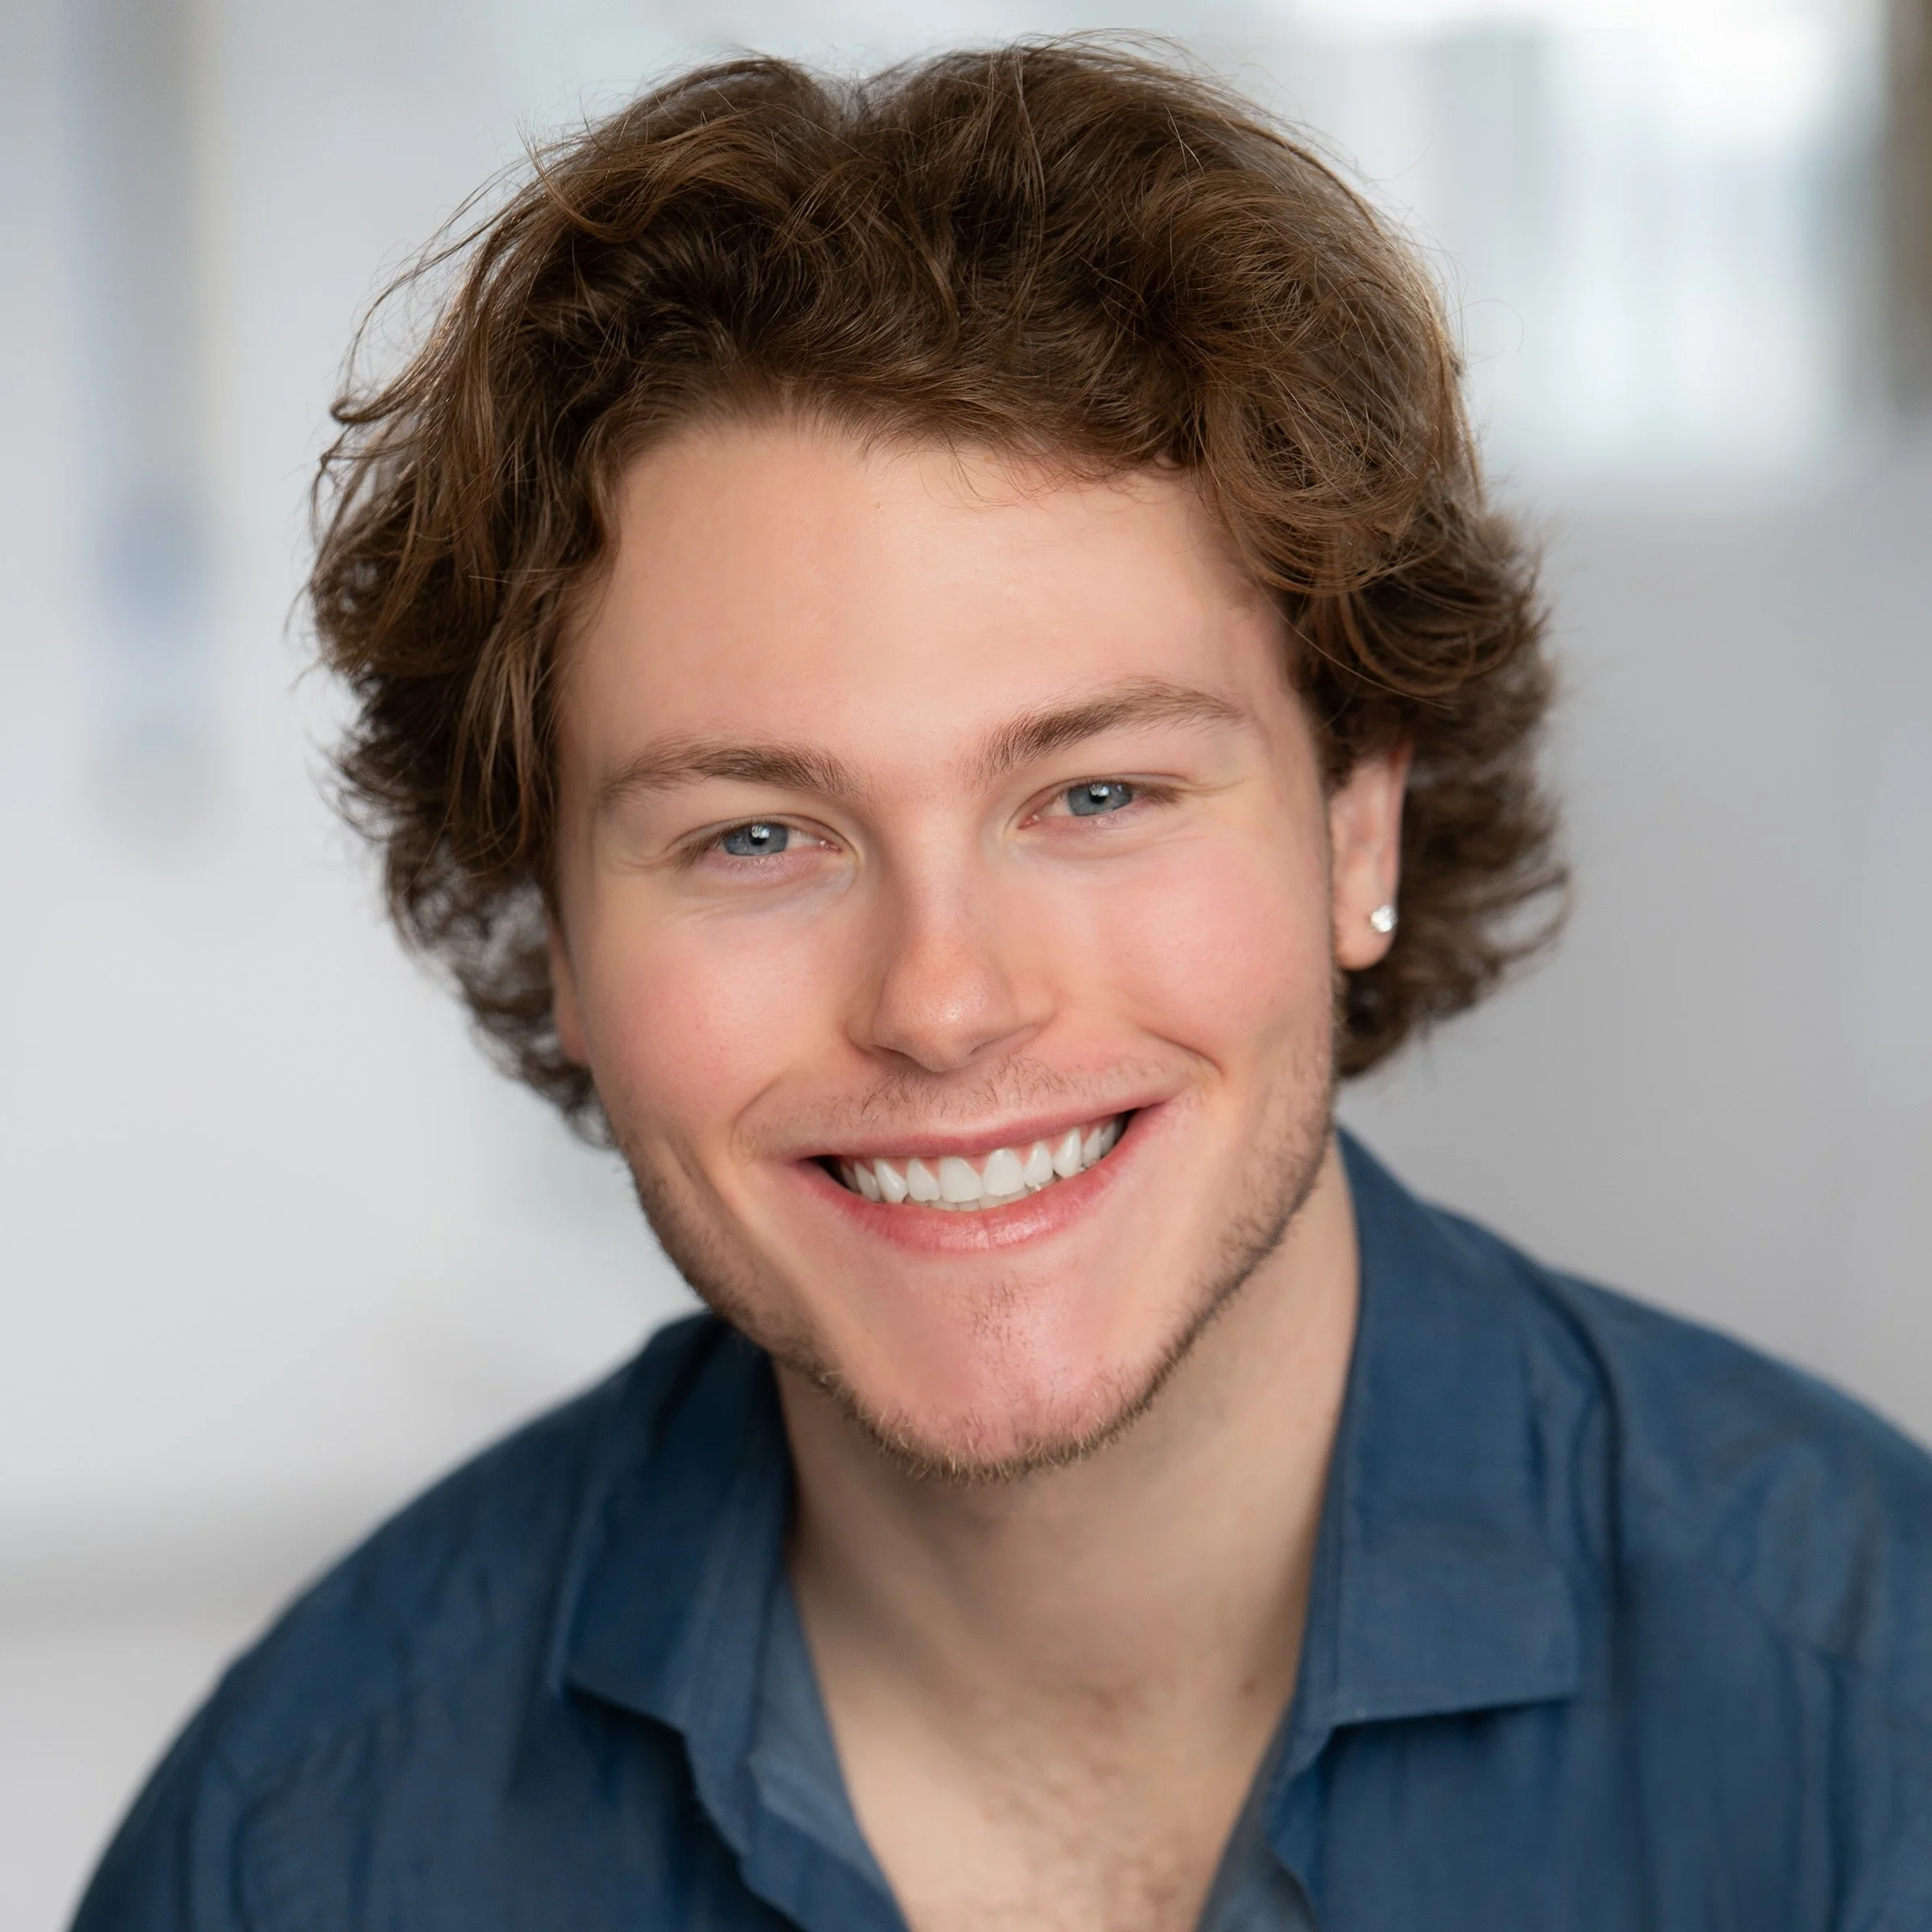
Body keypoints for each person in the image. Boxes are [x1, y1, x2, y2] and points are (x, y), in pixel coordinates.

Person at [74, 43, 1932, 1932]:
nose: (944, 1003)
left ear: (1358, 830)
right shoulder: (296, 1848)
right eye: (755, 837)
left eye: (1098, 793)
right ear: (553, 934)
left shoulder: (1878, 1729)